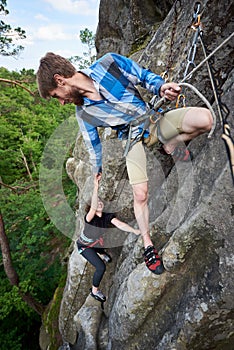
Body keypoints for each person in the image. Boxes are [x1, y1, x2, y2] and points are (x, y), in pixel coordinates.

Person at [36, 52, 212, 275]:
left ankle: (171, 145)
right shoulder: (83, 113)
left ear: (60, 80)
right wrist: (96, 171)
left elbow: (142, 76)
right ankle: (148, 244)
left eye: (56, 95)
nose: (61, 102)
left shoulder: (109, 63)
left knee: (206, 119)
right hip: (130, 140)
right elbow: (93, 146)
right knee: (140, 193)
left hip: (152, 121)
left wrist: (161, 88)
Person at [77, 173, 140, 302]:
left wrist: (134, 230)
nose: (99, 203)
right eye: (96, 202)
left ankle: (102, 253)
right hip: (84, 246)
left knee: (104, 244)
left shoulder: (107, 217)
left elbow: (120, 224)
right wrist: (96, 186)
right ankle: (94, 291)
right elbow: (94, 205)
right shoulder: (89, 218)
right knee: (101, 267)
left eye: (101, 202)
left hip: (97, 243)